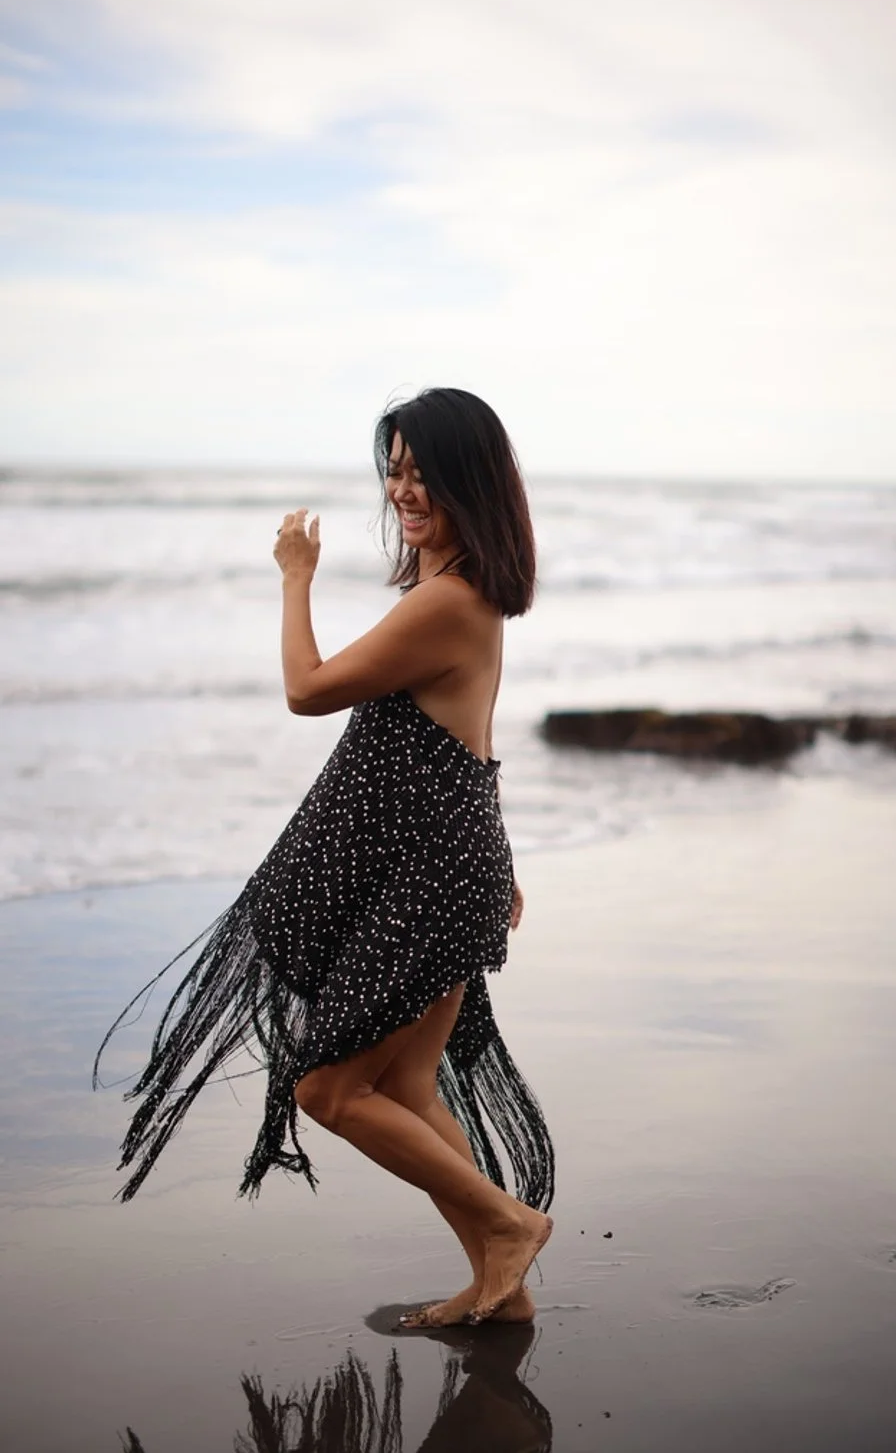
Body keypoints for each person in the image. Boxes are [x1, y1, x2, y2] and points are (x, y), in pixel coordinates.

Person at [92, 387, 555, 1328]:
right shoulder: (457, 597)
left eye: (425, 473)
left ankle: (509, 1227)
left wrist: (296, 574)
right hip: (446, 866)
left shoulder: (452, 602)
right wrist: (497, 863)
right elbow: (475, 742)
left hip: (431, 876)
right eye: (394, 470)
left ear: (473, 481)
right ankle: (501, 1290)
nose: (404, 491)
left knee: (328, 1088)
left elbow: (307, 690)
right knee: (409, 1087)